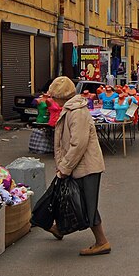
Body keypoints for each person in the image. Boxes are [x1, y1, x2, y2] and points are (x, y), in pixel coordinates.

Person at [46, 76, 110, 256]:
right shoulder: (70, 109)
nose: (52, 99)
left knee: (87, 204)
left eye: (53, 96)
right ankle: (60, 228)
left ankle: (102, 242)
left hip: (87, 166)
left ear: (60, 96)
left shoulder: (76, 112)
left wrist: (64, 168)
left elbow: (78, 144)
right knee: (73, 199)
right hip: (79, 165)